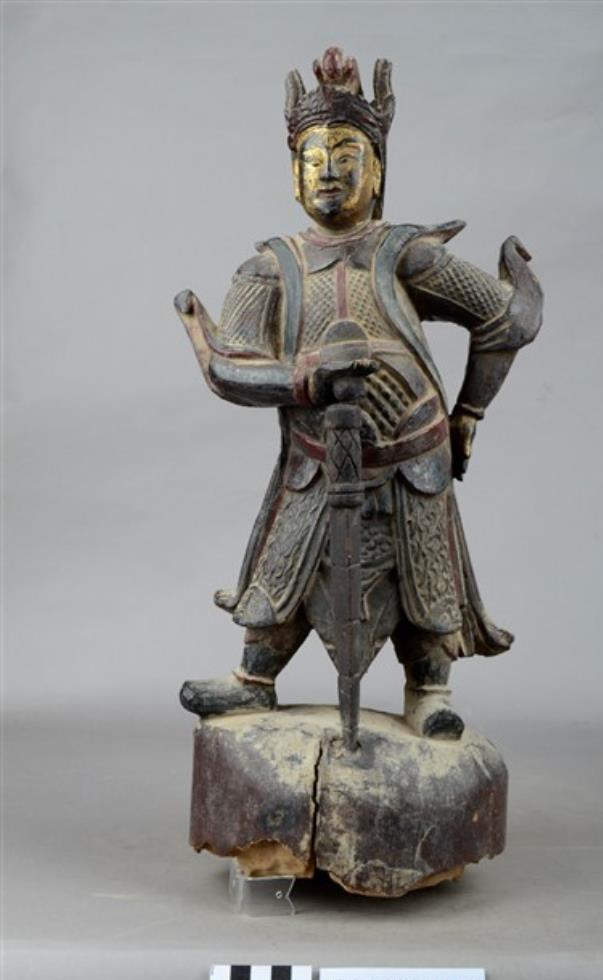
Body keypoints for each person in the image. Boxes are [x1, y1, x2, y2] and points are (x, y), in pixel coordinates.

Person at [175, 46, 543, 739]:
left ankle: (429, 690)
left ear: (377, 170)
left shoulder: (405, 254)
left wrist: (469, 412)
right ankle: (253, 677)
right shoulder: (269, 269)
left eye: (347, 155)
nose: (328, 171)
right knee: (284, 569)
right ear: (292, 173)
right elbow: (230, 367)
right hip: (317, 456)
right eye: (313, 157)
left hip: (413, 454)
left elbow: (504, 318)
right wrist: (305, 377)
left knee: (425, 577)